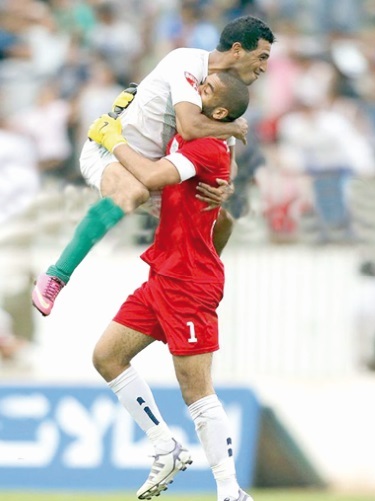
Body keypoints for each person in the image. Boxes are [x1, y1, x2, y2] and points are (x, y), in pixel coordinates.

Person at [32, 15, 275, 316]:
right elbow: (188, 127)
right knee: (133, 192)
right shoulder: (186, 61)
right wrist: (233, 128)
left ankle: (197, 285)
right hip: (110, 150)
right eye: (262, 57)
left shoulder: (225, 92)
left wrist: (226, 186)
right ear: (238, 50)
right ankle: (56, 275)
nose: (264, 67)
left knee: (222, 219)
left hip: (155, 173)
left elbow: (230, 163)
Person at [89, 71, 252, 501]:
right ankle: (165, 446)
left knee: (196, 390)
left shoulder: (207, 147)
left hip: (190, 284)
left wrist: (113, 139)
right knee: (107, 356)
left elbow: (150, 175)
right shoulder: (194, 134)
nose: (197, 88)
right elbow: (223, 219)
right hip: (163, 273)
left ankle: (230, 490)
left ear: (216, 111)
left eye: (207, 88)